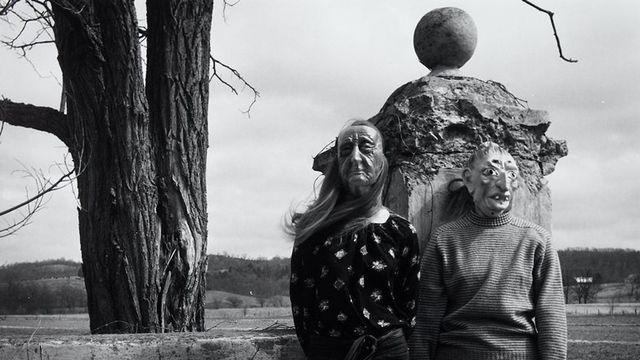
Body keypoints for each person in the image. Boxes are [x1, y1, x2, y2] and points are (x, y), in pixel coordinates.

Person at [410, 141, 567, 360]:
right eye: (490, 172)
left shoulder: (537, 241)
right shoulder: (444, 240)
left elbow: (553, 323)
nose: (504, 184)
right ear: (468, 179)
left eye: (512, 175)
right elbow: (426, 325)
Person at [287, 120, 421, 360]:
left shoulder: (401, 231)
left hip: (389, 351)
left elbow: (409, 302)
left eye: (367, 147)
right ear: (337, 164)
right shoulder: (314, 229)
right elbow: (302, 302)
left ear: (383, 159)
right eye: (346, 150)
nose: (356, 158)